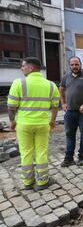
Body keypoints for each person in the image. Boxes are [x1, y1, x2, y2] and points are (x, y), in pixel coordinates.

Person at [7, 57, 60, 191]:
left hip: (24, 125)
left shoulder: (18, 83)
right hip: (42, 124)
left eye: (23, 66)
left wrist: (12, 121)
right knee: (41, 152)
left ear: (31, 68)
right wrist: (53, 121)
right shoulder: (51, 85)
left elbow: (11, 106)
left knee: (26, 153)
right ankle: (42, 182)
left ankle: (28, 182)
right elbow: (55, 106)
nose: (21, 68)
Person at [60, 57, 83, 167]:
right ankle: (69, 158)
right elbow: (61, 88)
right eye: (72, 64)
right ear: (70, 65)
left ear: (80, 64)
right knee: (69, 135)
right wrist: (63, 102)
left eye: (76, 64)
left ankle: (81, 157)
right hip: (69, 112)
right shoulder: (66, 77)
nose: (74, 66)